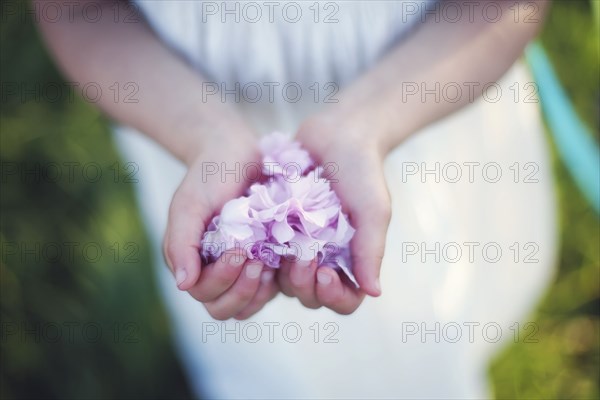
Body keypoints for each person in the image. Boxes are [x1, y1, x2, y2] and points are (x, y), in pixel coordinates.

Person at [37, 0, 557, 398]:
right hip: (184, 111)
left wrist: (365, 125)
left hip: (420, 87)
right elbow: (79, 9)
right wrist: (204, 135)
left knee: (440, 304)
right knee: (276, 364)